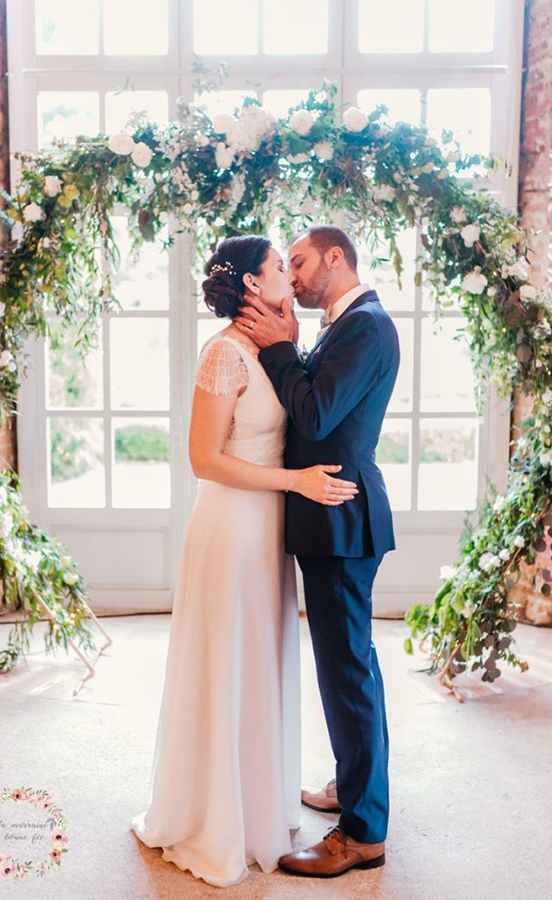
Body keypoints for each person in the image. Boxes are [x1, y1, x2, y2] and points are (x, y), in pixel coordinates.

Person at [130, 234, 359, 888]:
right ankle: (213, 820)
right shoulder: (224, 354)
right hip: (231, 529)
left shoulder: (271, 346)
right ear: (253, 285)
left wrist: (287, 337)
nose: (291, 274)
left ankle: (261, 810)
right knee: (228, 664)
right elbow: (204, 459)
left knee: (262, 663)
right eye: (278, 268)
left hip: (270, 535)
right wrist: (296, 483)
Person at [234, 225, 400, 879]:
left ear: (337, 257)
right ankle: (358, 785)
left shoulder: (365, 325)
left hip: (339, 518)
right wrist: (297, 349)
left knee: (346, 675)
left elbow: (316, 415)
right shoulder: (347, 323)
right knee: (353, 667)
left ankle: (361, 832)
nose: (293, 275)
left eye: (299, 262)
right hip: (331, 516)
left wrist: (279, 350)